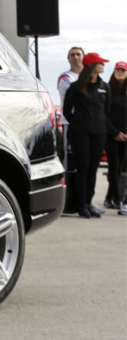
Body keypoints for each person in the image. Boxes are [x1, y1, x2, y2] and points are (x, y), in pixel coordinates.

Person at [61, 53, 119, 218]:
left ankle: (88, 202)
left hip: (99, 132)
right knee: (83, 168)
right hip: (80, 133)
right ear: (92, 66)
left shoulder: (104, 87)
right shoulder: (76, 87)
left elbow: (106, 110)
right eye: (100, 63)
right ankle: (81, 206)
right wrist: (79, 123)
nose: (103, 66)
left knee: (93, 169)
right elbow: (67, 110)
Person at [58, 47, 86, 212]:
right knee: (69, 163)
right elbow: (80, 96)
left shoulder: (90, 78)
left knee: (85, 164)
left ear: (84, 57)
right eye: (72, 55)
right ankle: (67, 201)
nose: (76, 57)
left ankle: (83, 200)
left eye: (78, 54)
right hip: (70, 124)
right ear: (68, 59)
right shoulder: (65, 78)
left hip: (88, 126)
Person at [103, 61, 127, 214]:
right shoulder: (108, 89)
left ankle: (108, 197)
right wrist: (114, 132)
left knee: (119, 167)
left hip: (125, 136)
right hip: (111, 134)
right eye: (118, 69)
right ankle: (117, 198)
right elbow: (104, 113)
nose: (120, 72)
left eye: (123, 70)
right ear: (114, 71)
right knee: (114, 166)